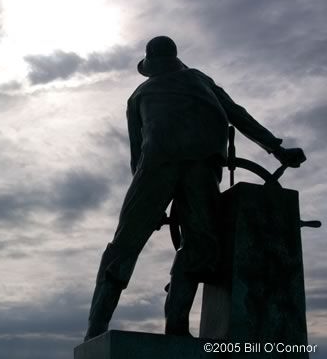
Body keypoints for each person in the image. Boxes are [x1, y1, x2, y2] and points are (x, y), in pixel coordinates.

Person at [84, 36, 306, 341]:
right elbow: (238, 115)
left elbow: (137, 157)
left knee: (126, 246)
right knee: (197, 247)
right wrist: (277, 149)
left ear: (151, 67)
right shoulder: (198, 80)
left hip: (160, 168)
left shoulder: (138, 95)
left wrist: (150, 199)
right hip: (201, 165)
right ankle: (175, 327)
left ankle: (97, 330)